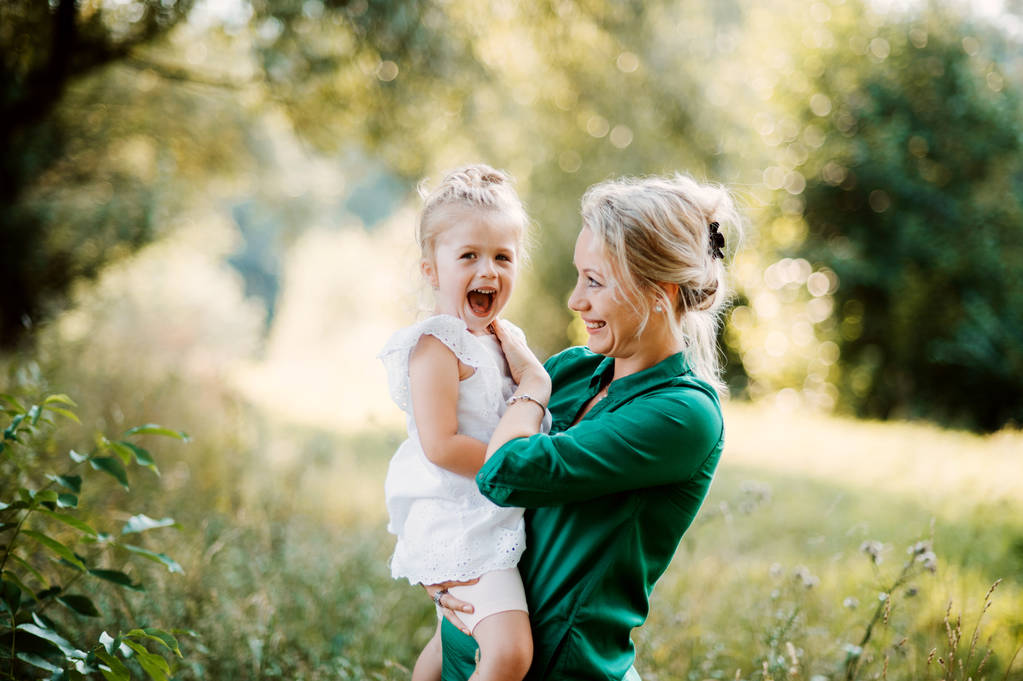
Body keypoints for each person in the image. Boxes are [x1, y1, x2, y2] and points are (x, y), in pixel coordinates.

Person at [429, 173, 740, 680]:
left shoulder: (682, 416)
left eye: (594, 281)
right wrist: (436, 566)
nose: (576, 300)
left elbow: (501, 471)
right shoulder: (572, 370)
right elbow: (455, 465)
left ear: (657, 292)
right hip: (468, 652)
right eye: (579, 277)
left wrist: (530, 382)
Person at [380, 164, 550, 681]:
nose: (488, 271)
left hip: (487, 511)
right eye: (468, 256)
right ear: (431, 269)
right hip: (459, 518)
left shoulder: (500, 335)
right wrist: (517, 466)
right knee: (509, 653)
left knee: (450, 637)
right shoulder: (436, 342)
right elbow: (441, 445)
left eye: (503, 256)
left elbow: (527, 398)